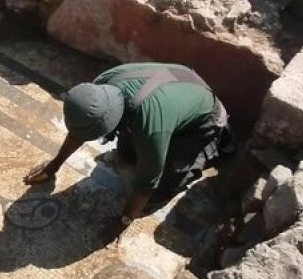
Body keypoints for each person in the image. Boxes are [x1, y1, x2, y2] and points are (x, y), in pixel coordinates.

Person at [23, 62, 234, 231]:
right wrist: (54, 165)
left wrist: (124, 220)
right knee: (126, 156)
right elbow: (82, 128)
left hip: (203, 120)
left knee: (157, 190)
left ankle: (212, 146)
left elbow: (148, 181)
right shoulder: (101, 87)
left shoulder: (150, 126)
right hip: (175, 95)